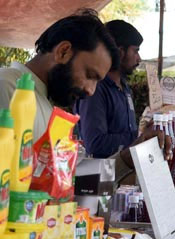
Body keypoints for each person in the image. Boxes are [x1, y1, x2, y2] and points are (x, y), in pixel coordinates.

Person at [0, 9, 118, 140]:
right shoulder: (7, 87)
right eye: (89, 75)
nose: (91, 91)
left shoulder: (42, 99)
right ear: (63, 52)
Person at [74, 20, 142, 158]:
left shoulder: (125, 88)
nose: (139, 59)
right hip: (102, 177)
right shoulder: (94, 90)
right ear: (121, 52)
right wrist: (139, 137)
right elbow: (95, 144)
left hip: (125, 174)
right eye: (135, 51)